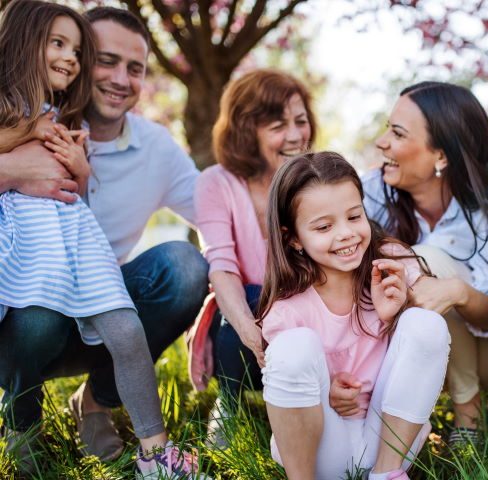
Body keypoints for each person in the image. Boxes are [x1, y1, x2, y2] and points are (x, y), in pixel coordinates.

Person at [0, 5, 209, 476]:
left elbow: (218, 212)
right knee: (37, 316)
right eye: (104, 59)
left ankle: (103, 408)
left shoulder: (147, 145)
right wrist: (13, 168)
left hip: (87, 283)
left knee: (184, 264)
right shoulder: (21, 115)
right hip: (25, 310)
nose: (120, 78)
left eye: (135, 68)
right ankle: (21, 425)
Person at [259, 151, 450, 480]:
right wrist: (328, 390)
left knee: (426, 322)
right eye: (324, 226)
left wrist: (400, 312)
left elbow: (424, 354)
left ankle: (387, 476)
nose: (346, 233)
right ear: (293, 239)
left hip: (390, 439)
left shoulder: (389, 264)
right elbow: (294, 383)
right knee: (293, 347)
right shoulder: (287, 310)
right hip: (321, 449)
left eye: (354, 216)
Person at [362, 81, 488, 445]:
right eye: (387, 128)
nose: (382, 142)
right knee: (404, 264)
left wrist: (459, 292)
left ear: (442, 157)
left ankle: (468, 406)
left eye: (397, 133)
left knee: (424, 260)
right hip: (408, 348)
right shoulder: (371, 192)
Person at [191, 69, 316, 444]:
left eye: (301, 121)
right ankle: (228, 403)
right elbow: (222, 268)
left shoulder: (315, 179)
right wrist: (250, 330)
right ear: (248, 131)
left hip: (309, 315)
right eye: (278, 125)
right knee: (250, 298)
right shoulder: (216, 182)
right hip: (246, 319)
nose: (295, 136)